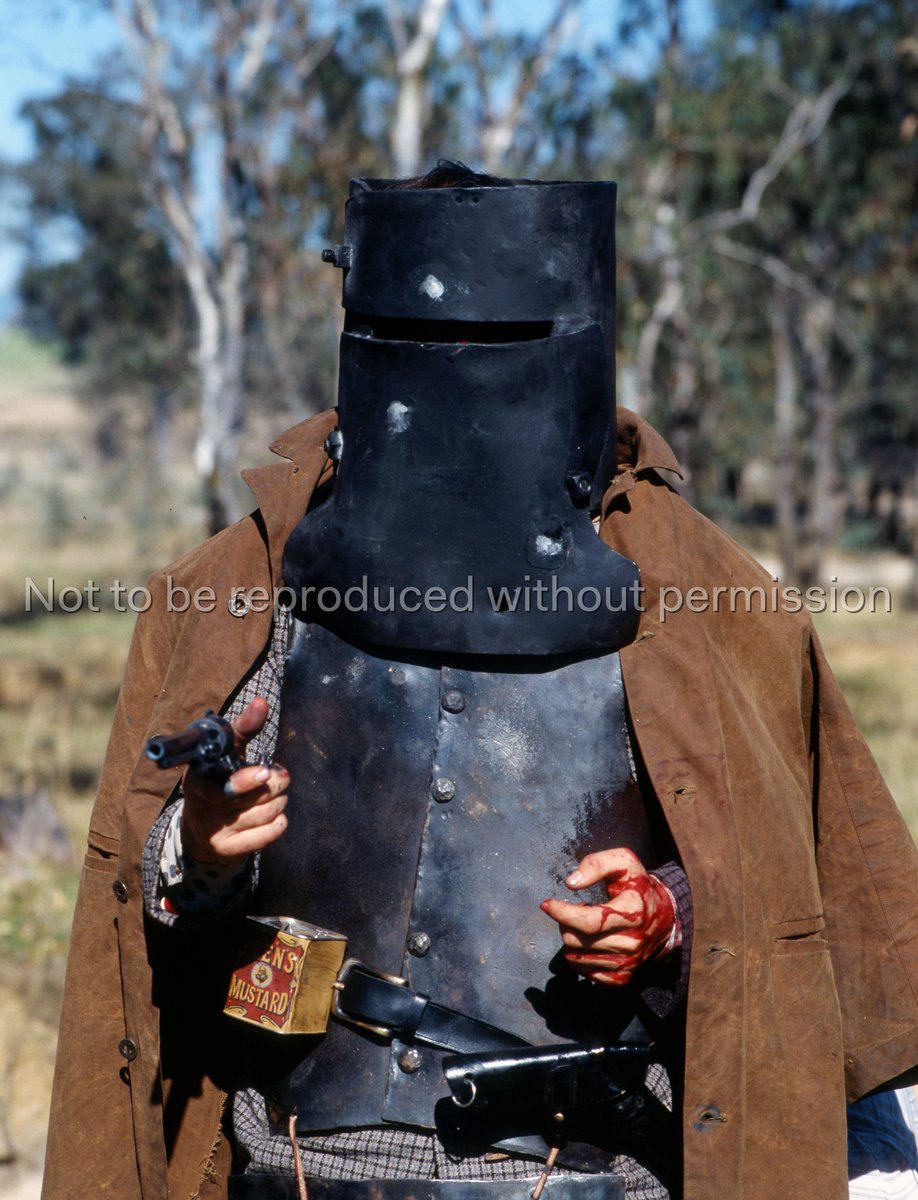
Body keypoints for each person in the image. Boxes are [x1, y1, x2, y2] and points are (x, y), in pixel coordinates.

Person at [42, 164, 918, 1200]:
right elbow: (152, 902)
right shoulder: (248, 587)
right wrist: (197, 847)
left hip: (587, 1171)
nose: (460, 379)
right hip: (299, 1167)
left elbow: (776, 878)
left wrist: (666, 913)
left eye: (499, 348)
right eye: (419, 344)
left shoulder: (700, 599)